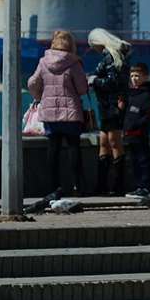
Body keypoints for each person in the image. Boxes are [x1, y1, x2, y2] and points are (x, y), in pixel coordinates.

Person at [26, 29, 91, 196]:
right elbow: (82, 89)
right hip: (71, 111)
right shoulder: (74, 63)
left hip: (49, 111)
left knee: (53, 148)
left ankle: (54, 187)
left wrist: (40, 95)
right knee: (73, 147)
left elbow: (32, 82)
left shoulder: (43, 62)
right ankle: (77, 186)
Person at [86, 28, 132, 196]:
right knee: (104, 142)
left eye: (92, 45)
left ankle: (118, 185)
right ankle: (101, 185)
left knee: (113, 141)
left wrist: (94, 80)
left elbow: (114, 81)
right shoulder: (112, 55)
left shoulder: (112, 56)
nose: (92, 49)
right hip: (106, 106)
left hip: (113, 105)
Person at [119, 61, 150, 195]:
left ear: (145, 77)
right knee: (135, 162)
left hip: (139, 134)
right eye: (132, 76)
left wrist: (138, 124)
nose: (134, 79)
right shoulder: (131, 94)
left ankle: (147, 187)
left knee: (143, 161)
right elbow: (128, 113)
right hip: (130, 134)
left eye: (137, 76)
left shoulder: (146, 96)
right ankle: (139, 187)